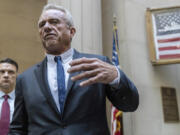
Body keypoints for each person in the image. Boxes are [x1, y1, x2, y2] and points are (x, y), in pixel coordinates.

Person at [9, 4, 139, 135]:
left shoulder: (97, 65)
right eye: (42, 25)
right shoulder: (25, 79)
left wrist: (116, 77)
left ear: (71, 32)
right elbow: (17, 129)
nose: (47, 27)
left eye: (54, 22)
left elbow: (130, 105)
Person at [0, 58, 18, 135]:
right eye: (2, 72)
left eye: (11, 72)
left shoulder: (24, 101)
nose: (6, 75)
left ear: (17, 75)